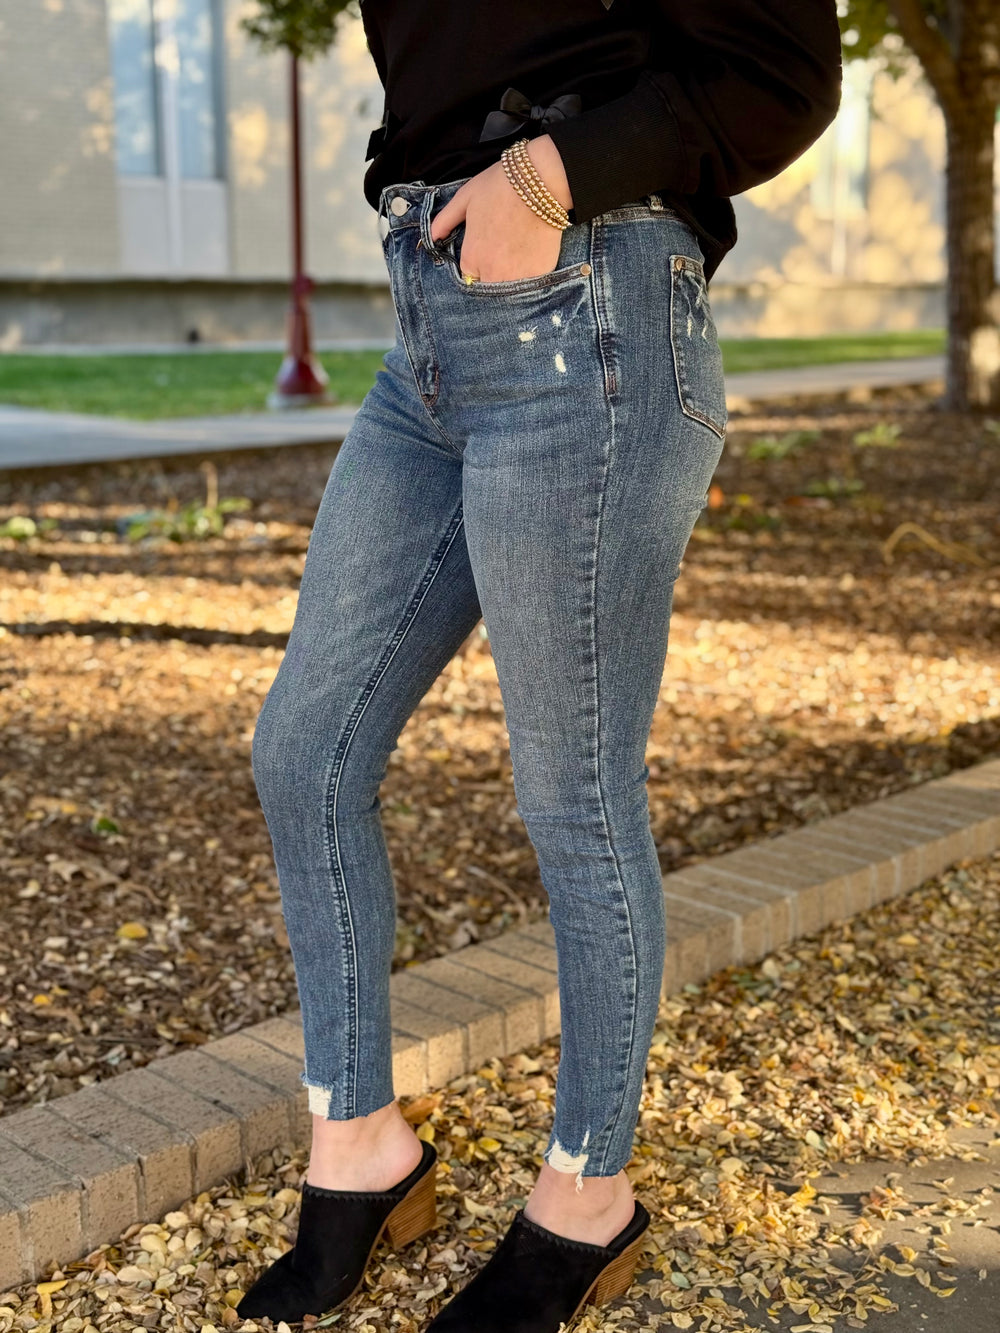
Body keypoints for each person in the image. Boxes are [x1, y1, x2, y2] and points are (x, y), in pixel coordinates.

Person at [237, 2, 843, 1330]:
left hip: (593, 313)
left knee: (573, 793)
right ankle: (360, 1145)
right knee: (304, 751)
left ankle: (586, 1197)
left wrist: (544, 178)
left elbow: (785, 76)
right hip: (431, 333)